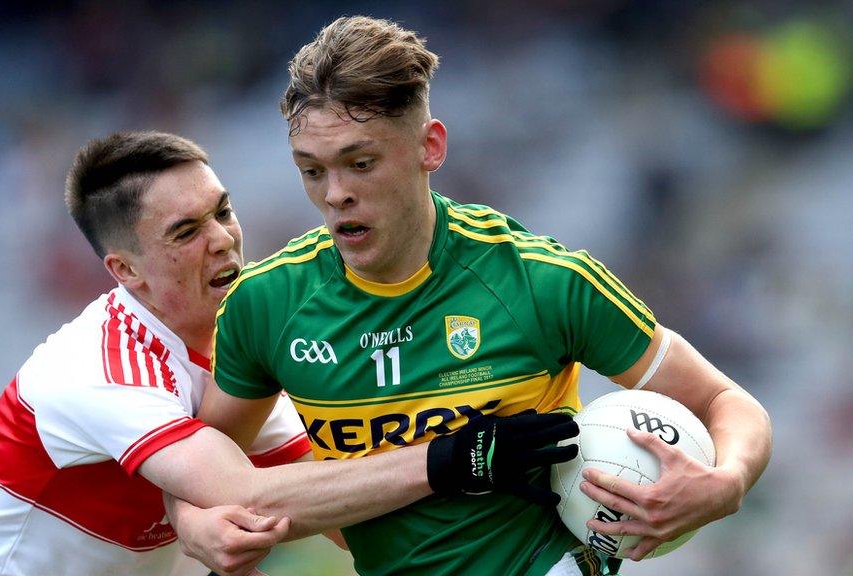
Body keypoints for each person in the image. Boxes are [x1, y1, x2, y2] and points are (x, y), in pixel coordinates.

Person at [191, 16, 773, 576]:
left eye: (360, 163)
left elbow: (726, 401)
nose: (336, 193)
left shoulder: (543, 281)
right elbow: (197, 477)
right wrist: (198, 529)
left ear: (430, 148)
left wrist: (727, 483)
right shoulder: (264, 306)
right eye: (312, 170)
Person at [0, 131, 582, 576]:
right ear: (125, 269)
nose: (224, 241)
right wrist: (457, 458)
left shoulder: (243, 351)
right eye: (187, 232)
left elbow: (344, 514)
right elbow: (246, 490)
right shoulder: (97, 369)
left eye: (222, 212)